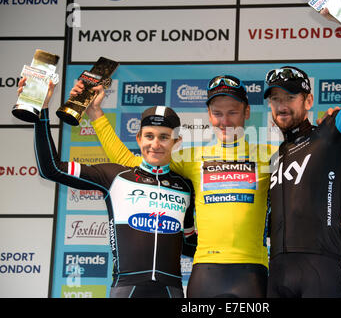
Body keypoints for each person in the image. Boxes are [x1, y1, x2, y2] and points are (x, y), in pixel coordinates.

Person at [75, 76, 276, 297]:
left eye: (233, 112)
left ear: (247, 112)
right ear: (209, 115)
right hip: (205, 271)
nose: (224, 121)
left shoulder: (269, 155)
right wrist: (96, 115)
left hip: (251, 271)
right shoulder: (193, 157)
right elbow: (131, 162)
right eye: (217, 113)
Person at [20, 77, 196, 298]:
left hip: (172, 291)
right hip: (127, 289)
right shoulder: (115, 176)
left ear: (176, 142)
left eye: (164, 137)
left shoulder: (184, 186)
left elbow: (190, 243)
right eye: (149, 136)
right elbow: (51, 168)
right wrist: (41, 109)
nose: (156, 144)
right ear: (139, 138)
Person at [264, 0, 341, 298]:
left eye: (290, 97)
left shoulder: (330, 132)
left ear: (307, 101)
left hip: (320, 268)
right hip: (277, 270)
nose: (281, 106)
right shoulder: (275, 158)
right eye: (275, 99)